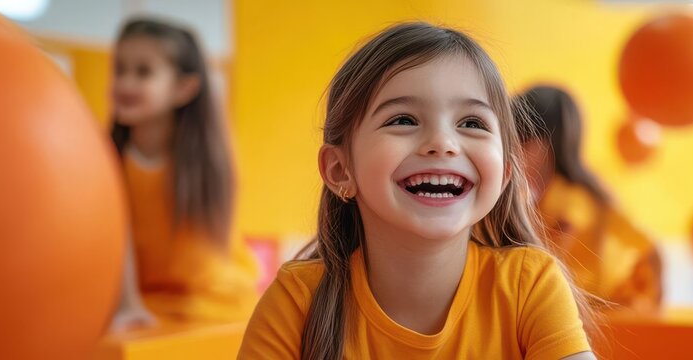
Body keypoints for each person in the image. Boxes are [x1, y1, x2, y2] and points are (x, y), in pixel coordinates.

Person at [239, 23, 595, 359]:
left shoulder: (528, 285)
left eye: (472, 123)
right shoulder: (296, 301)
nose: (442, 143)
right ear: (339, 170)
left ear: (504, 173)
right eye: (403, 120)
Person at [108, 18, 259, 330]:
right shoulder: (109, 157)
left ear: (183, 88)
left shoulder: (204, 158)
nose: (125, 83)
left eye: (143, 72)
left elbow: (200, 266)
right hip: (145, 299)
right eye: (120, 70)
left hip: (213, 299)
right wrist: (128, 302)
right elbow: (114, 236)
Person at [515, 85, 662, 312]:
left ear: (547, 146)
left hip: (615, 305)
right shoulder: (564, 195)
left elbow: (548, 267)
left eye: (523, 143)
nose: (514, 154)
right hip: (604, 301)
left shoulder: (564, 199)